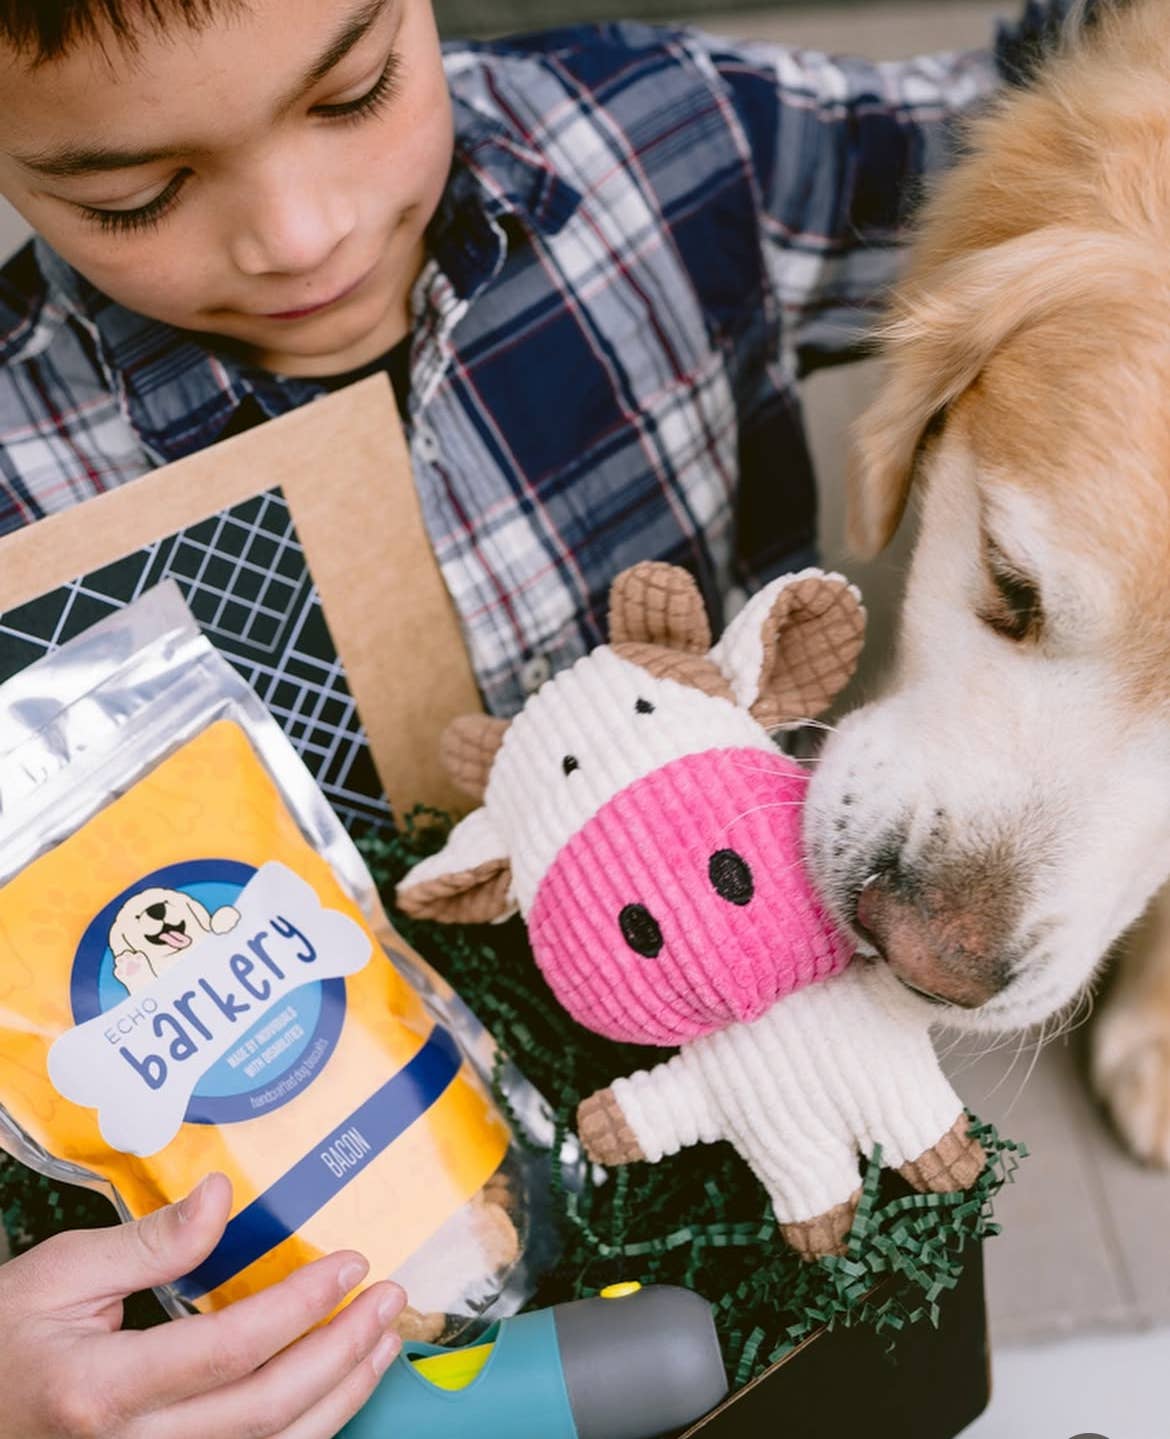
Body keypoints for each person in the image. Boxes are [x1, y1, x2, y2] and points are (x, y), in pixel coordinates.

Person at [0, 0, 1089, 1434]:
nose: (302, 235)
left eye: (355, 92)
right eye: (136, 195)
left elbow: (1067, 123)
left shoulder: (664, 146)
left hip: (792, 1123)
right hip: (340, 1266)